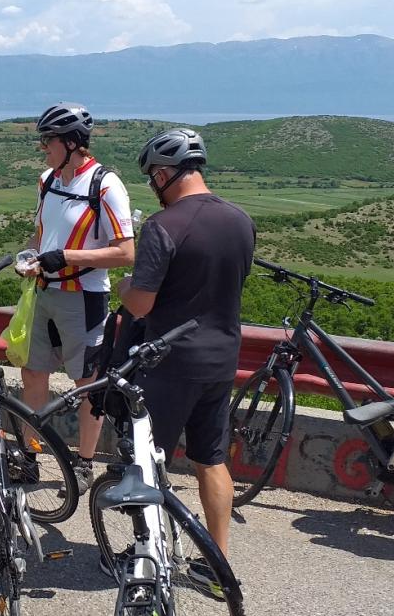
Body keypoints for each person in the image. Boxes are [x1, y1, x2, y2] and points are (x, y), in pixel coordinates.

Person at [117, 128, 254, 589]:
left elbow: (140, 304)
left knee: (147, 461)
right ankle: (220, 567)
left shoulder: (164, 226)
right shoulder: (240, 220)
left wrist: (123, 287)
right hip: (221, 361)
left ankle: (147, 556)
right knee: (211, 461)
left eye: (152, 178)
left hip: (169, 364)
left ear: (163, 173)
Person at [19, 102, 134, 493]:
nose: (43, 148)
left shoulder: (104, 184)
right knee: (32, 373)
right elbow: (40, 234)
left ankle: (84, 463)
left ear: (71, 143)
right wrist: (32, 259)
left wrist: (68, 256)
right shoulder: (47, 180)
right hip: (44, 291)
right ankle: (30, 457)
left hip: (84, 296)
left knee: (87, 383)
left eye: (47, 140)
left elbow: (125, 251)